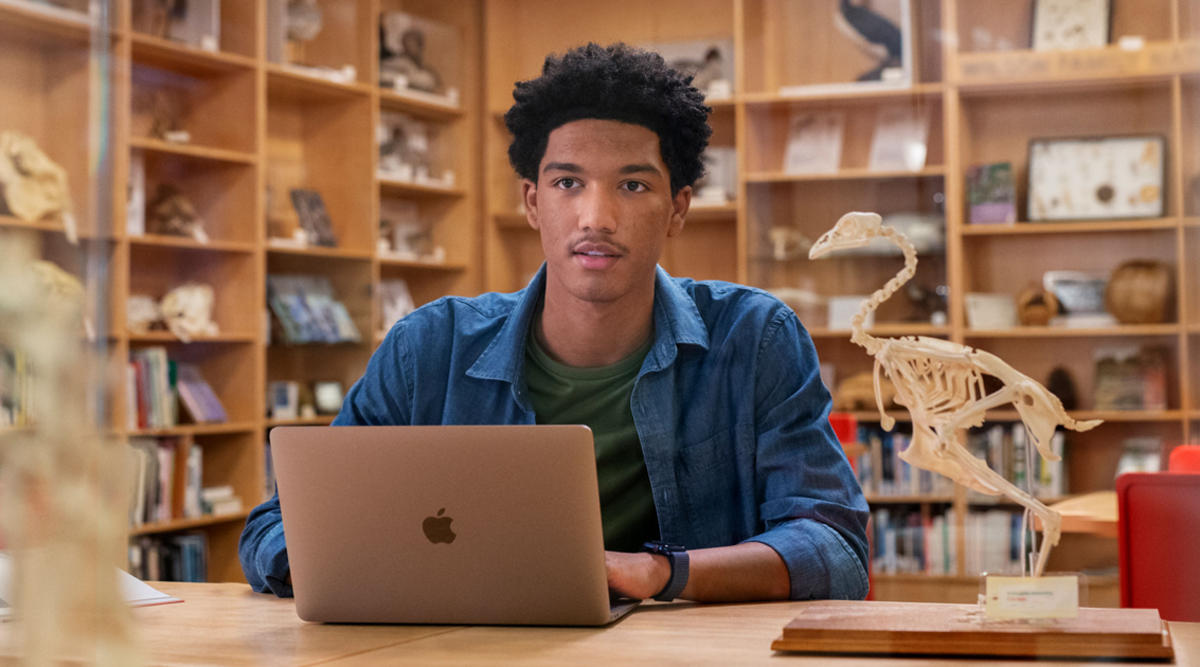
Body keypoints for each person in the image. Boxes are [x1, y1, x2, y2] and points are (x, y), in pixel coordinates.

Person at [240, 42, 869, 603]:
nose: (596, 217)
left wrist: (663, 573)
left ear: (677, 209)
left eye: (632, 186)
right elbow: (273, 528)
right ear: (533, 202)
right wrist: (357, 564)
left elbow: (835, 550)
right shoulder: (428, 348)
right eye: (568, 182)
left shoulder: (755, 338)